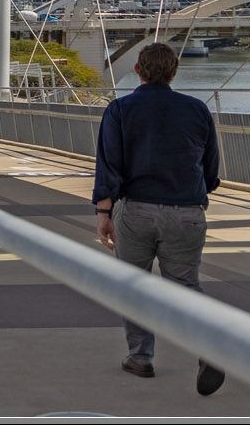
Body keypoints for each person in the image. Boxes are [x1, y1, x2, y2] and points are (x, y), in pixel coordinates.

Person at [92, 41, 225, 396]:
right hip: (187, 211)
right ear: (174, 72)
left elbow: (108, 166)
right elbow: (209, 167)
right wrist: (199, 191)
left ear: (137, 70)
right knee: (185, 287)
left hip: (135, 209)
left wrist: (104, 213)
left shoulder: (120, 109)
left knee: (134, 284)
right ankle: (209, 345)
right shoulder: (197, 110)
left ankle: (140, 357)